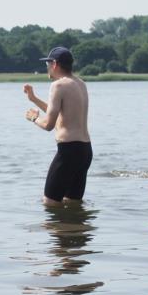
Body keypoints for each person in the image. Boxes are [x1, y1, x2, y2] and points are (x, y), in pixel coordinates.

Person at [23, 47, 92, 206]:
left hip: (68, 152)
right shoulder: (80, 83)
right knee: (73, 204)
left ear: (55, 64)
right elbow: (63, 114)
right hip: (85, 151)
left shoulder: (58, 86)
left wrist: (34, 118)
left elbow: (49, 124)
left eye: (47, 63)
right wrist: (34, 99)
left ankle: (59, 230)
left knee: (50, 204)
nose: (46, 67)